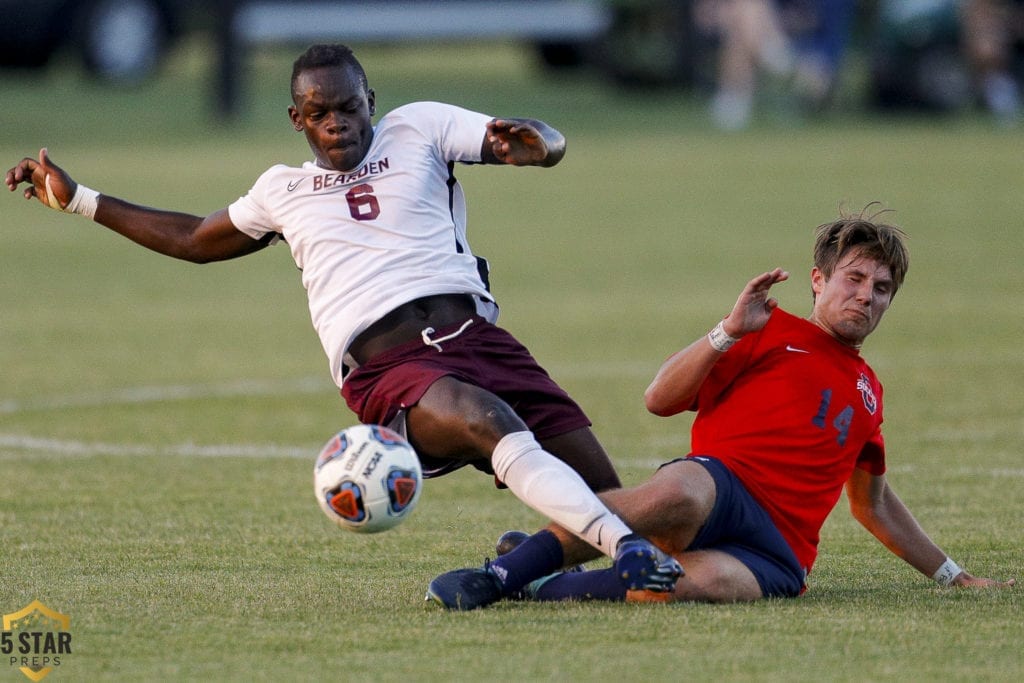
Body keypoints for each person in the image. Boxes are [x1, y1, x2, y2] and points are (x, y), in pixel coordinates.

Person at [4, 44, 681, 602]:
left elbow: (537, 141)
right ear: (296, 117)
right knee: (484, 419)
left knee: (612, 491)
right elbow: (190, 236)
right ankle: (622, 552)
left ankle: (520, 572)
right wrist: (81, 200)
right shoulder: (281, 190)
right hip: (389, 367)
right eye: (319, 112)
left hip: (480, 339)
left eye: (349, 107)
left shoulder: (418, 128)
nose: (337, 123)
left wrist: (537, 143)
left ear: (372, 103)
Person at [434, 208, 1015, 605]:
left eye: (881, 288)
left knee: (700, 584)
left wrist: (952, 575)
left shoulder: (869, 393)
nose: (865, 295)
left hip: (779, 552)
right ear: (818, 279)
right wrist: (727, 332)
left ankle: (538, 588)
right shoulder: (766, 329)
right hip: (722, 488)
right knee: (676, 492)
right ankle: (497, 576)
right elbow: (659, 399)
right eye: (854, 278)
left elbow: (875, 506)